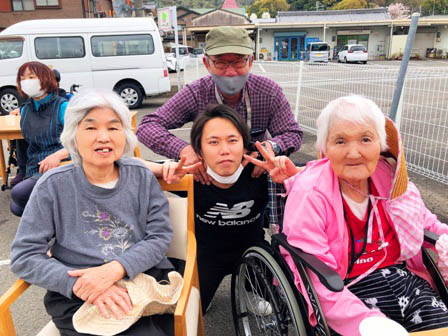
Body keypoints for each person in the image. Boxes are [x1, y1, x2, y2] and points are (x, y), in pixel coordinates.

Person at [247, 95, 448, 335]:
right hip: (346, 289)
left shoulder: (389, 179)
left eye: (365, 139)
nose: (354, 153)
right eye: (340, 141)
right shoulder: (311, 192)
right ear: (325, 148)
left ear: (380, 144)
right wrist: (365, 322)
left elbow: (425, 223)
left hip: (404, 281)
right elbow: (316, 272)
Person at [10, 89, 177, 336]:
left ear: (125, 135)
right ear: (73, 136)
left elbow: (159, 237)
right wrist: (80, 284)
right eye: (90, 128)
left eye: (113, 127)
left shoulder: (141, 176)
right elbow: (25, 256)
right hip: (78, 293)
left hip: (139, 282)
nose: (103, 137)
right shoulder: (52, 185)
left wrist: (114, 270)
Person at [137, 26, 303, 226]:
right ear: (207, 64)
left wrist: (270, 148)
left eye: (239, 62)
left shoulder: (268, 92)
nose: (231, 72)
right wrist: (185, 150)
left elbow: (292, 133)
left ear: (250, 61)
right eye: (221, 63)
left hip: (254, 179)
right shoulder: (196, 93)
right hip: (209, 180)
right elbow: (148, 125)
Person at [141, 104, 270, 314]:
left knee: (269, 304)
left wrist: (287, 169)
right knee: (193, 311)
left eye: (233, 140)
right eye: (213, 142)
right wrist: (162, 168)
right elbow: (121, 164)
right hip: (206, 256)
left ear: (245, 147)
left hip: (252, 250)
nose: (225, 150)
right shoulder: (188, 175)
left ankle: (250, 292)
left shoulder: (262, 172)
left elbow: (324, 169)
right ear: (199, 150)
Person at [10, 62, 69, 217]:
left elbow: (80, 140)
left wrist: (57, 155)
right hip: (35, 166)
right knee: (17, 207)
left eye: (31, 77)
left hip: (61, 164)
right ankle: (55, 221)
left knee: (20, 195)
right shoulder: (25, 109)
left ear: (45, 78)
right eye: (22, 78)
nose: (26, 81)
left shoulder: (62, 106)